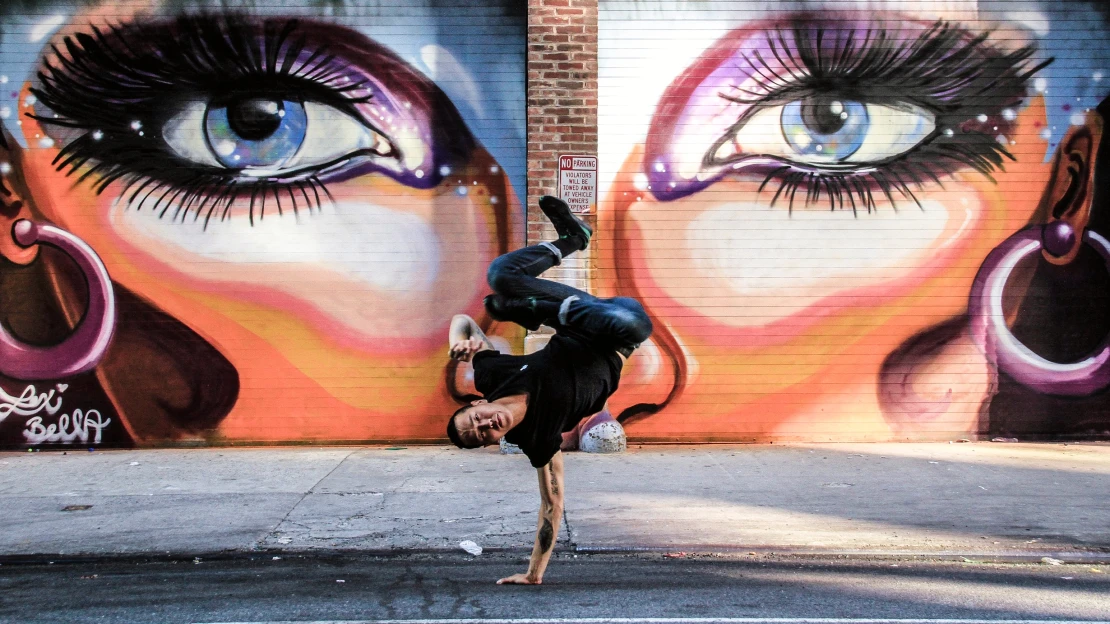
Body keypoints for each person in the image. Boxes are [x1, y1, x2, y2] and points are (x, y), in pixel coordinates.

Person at [445, 195, 652, 585]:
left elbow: (462, 322)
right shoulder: (537, 439)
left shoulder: (493, 376)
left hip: (581, 314)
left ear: (479, 403)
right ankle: (533, 310)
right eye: (483, 434)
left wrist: (460, 342)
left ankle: (572, 238)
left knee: (500, 276)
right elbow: (551, 505)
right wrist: (533, 573)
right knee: (507, 303)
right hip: (619, 330)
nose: (486, 424)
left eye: (475, 419)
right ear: (497, 438)